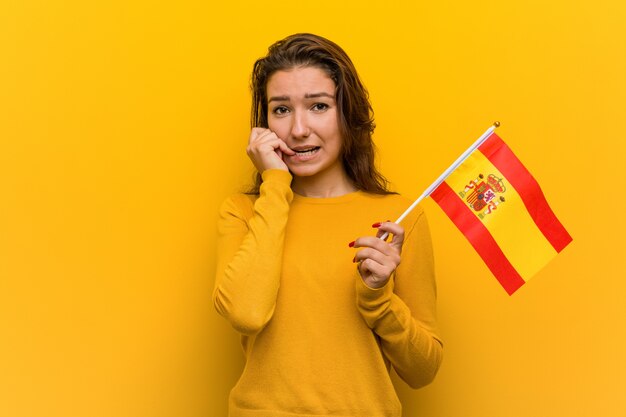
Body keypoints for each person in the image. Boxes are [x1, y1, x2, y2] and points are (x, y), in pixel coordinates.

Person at [213, 33, 443, 417]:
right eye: (281, 110)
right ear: (264, 124)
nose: (299, 129)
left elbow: (423, 370)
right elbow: (246, 313)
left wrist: (378, 297)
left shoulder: (398, 219)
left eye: (318, 106)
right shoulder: (243, 212)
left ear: (347, 114)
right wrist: (274, 183)